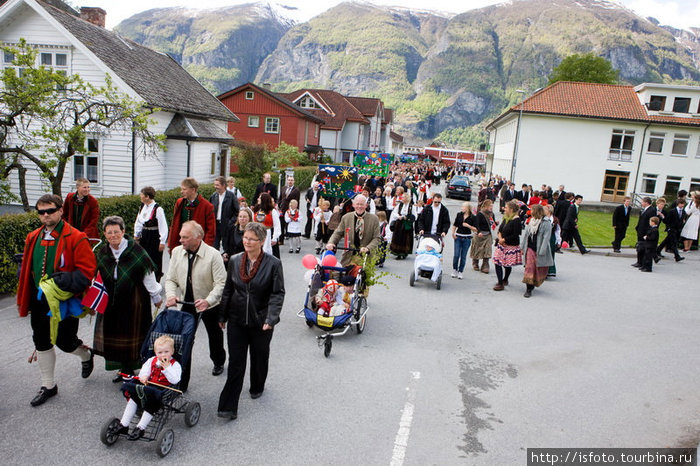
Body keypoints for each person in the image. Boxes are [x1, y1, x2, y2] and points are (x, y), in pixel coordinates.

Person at [17, 194, 96, 407]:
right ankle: (48, 385)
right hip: (39, 300)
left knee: (65, 342)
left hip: (64, 299)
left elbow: (88, 271)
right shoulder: (33, 236)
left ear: (61, 210)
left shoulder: (76, 236)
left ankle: (85, 355)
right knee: (41, 341)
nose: (45, 215)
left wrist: (67, 280)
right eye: (41, 211)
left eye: (50, 210)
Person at [217, 223, 285, 420]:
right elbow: (228, 289)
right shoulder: (235, 260)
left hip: (261, 320)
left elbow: (277, 293)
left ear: (262, 242)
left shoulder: (273, 264)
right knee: (236, 363)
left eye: (251, 239)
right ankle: (228, 407)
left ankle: (257, 385)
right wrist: (222, 315)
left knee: (259, 357)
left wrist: (271, 318)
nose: (246, 242)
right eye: (245, 238)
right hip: (237, 319)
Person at [94, 216, 162, 383]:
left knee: (133, 334)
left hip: (135, 300)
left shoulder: (136, 251)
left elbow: (148, 274)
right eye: (109, 233)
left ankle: (133, 368)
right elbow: (97, 277)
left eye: (116, 232)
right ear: (104, 234)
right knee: (114, 332)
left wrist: (156, 296)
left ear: (123, 232)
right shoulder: (103, 252)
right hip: (111, 300)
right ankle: (122, 368)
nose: (113, 235)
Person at [165, 221, 227, 390]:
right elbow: (171, 279)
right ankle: (182, 383)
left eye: (185, 237)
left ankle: (218, 360)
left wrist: (208, 300)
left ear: (198, 237)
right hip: (186, 303)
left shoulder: (213, 255)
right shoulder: (177, 252)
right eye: (180, 237)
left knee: (214, 335)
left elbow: (221, 284)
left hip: (209, 303)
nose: (180, 240)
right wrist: (171, 295)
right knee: (184, 342)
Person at [110, 335, 182, 440]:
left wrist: (167, 368)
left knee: (151, 403)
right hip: (149, 386)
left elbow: (175, 380)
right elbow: (145, 370)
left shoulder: (175, 365)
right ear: (155, 353)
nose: (163, 355)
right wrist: (143, 376)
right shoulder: (152, 360)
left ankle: (141, 428)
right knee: (134, 398)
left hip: (163, 390)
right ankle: (124, 424)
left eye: (166, 352)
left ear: (172, 351)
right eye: (160, 353)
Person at [327, 194, 382, 267]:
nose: (359, 206)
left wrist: (368, 248)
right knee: (343, 276)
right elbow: (338, 233)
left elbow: (377, 238)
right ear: (353, 205)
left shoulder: (374, 219)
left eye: (362, 204)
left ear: (366, 205)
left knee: (361, 276)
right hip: (349, 256)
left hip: (365, 256)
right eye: (357, 204)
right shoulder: (346, 217)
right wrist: (331, 242)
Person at [168, 177, 216, 252]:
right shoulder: (179, 203)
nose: (181, 192)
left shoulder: (207, 206)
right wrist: (171, 245)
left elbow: (210, 231)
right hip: (180, 245)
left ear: (193, 190)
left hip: (197, 246)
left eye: (184, 189)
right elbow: (174, 224)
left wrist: (205, 249)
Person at [134, 186, 168, 281]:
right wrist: (136, 234)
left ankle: (156, 280)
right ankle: (145, 280)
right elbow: (138, 222)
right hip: (144, 236)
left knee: (154, 259)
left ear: (147, 197)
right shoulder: (142, 207)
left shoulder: (158, 209)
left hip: (154, 236)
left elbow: (163, 226)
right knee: (144, 258)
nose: (140, 197)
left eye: (142, 195)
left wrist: (162, 241)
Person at [520, 204, 553, 298]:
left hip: (539, 249)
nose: (531, 212)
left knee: (537, 269)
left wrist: (542, 251)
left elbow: (546, 238)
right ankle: (528, 289)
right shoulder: (532, 221)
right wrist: (522, 247)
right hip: (530, 248)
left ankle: (533, 284)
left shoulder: (546, 223)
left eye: (532, 210)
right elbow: (526, 235)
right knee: (529, 268)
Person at [492, 200, 522, 290]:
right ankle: (500, 282)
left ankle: (505, 279)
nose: (504, 209)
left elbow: (516, 234)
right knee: (497, 262)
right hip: (501, 244)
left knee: (507, 264)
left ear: (511, 209)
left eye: (506, 208)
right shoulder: (506, 218)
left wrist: (504, 240)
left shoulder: (516, 220)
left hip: (510, 245)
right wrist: (500, 238)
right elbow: (500, 229)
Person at [210, 176, 240, 251]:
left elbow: (237, 212)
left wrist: (231, 222)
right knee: (214, 247)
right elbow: (210, 211)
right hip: (216, 225)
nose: (215, 187)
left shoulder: (231, 196)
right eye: (215, 185)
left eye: (217, 185)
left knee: (226, 247)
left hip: (227, 225)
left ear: (223, 185)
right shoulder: (213, 196)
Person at [451, 202, 477, 279]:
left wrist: (468, 226)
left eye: (463, 207)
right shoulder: (459, 215)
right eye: (462, 207)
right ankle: (455, 269)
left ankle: (460, 271)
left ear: (468, 208)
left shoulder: (473, 217)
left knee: (463, 256)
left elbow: (476, 229)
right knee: (456, 255)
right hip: (458, 237)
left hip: (467, 238)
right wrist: (453, 233)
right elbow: (455, 225)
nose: (462, 208)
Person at [389, 192, 417, 260]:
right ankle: (398, 253)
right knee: (398, 238)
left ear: (407, 198)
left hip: (407, 225)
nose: (402, 199)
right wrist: (399, 216)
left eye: (404, 197)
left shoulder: (411, 207)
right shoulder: (399, 205)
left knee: (406, 239)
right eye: (402, 197)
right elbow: (394, 212)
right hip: (399, 224)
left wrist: (407, 217)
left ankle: (404, 253)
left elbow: (415, 216)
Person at [253, 193, 282, 259]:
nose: (258, 199)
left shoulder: (272, 211)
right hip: (257, 234)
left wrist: (275, 238)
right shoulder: (256, 210)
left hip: (269, 235)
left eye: (260, 198)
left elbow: (277, 225)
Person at [657, 198, 686, 262]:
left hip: (677, 229)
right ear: (678, 204)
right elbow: (668, 220)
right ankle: (677, 256)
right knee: (674, 242)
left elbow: (682, 220)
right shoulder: (672, 211)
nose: (682, 205)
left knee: (666, 241)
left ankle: (658, 250)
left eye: (683, 204)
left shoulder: (683, 212)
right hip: (671, 229)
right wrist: (669, 228)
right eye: (681, 204)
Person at [632, 197, 658, 268]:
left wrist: (648, 233)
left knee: (643, 248)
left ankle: (642, 262)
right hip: (640, 231)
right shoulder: (644, 210)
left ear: (646, 202)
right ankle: (639, 261)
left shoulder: (651, 210)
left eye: (642, 202)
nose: (641, 203)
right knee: (639, 247)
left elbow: (651, 223)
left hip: (645, 232)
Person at [470, 199, 495, 274]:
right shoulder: (480, 214)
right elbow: (477, 224)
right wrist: (479, 232)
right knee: (477, 249)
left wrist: (495, 222)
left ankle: (485, 265)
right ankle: (475, 262)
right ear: (486, 206)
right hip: (480, 235)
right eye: (490, 206)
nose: (491, 208)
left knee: (487, 250)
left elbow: (492, 222)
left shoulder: (491, 214)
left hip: (487, 235)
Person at [277, 176, 300, 245]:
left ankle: (290, 238)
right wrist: (278, 205)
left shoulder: (296, 190)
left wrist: (296, 210)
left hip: (290, 210)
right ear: (287, 181)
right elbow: (280, 197)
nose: (290, 181)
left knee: (289, 224)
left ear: (294, 181)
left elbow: (297, 201)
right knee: (281, 224)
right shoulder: (283, 188)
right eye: (289, 180)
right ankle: (281, 240)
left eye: (291, 180)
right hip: (282, 209)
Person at [544, 204, 561, 277]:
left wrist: (558, 241)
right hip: (544, 236)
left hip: (551, 237)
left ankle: (550, 270)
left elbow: (557, 231)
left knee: (550, 253)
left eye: (545, 210)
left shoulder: (554, 219)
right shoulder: (542, 218)